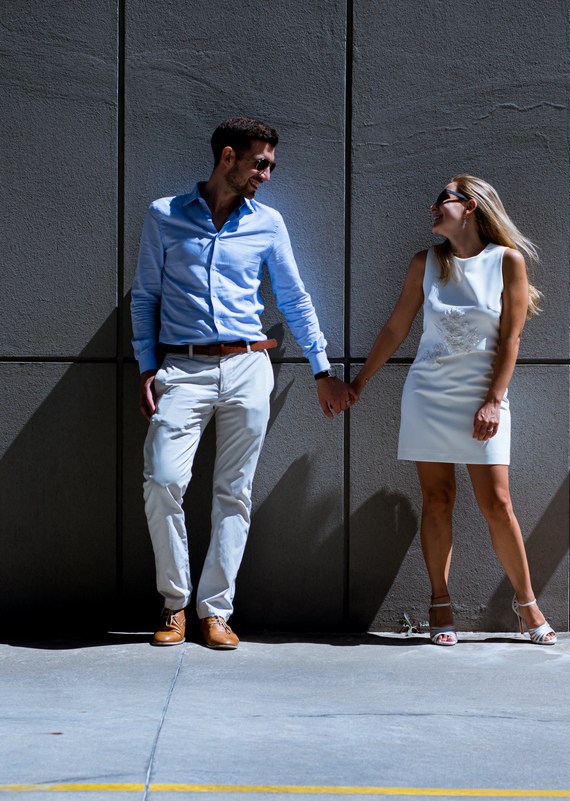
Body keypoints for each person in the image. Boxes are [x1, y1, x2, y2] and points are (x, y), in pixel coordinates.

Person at [131, 117, 355, 650]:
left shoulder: (269, 223)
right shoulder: (164, 216)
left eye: (271, 165)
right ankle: (174, 602)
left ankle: (214, 612)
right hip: (181, 368)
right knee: (162, 479)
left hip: (249, 367)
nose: (268, 174)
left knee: (234, 491)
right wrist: (145, 367)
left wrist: (321, 369)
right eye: (261, 163)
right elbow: (144, 297)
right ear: (227, 157)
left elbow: (295, 299)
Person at [349, 174, 555, 646]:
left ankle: (526, 604)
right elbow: (395, 328)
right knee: (438, 499)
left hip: (484, 396)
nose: (434, 208)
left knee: (497, 504)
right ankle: (440, 603)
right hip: (427, 395)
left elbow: (511, 339)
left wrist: (493, 402)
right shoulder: (424, 263)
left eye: (443, 199)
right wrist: (359, 382)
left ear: (474, 206)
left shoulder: (507, 261)